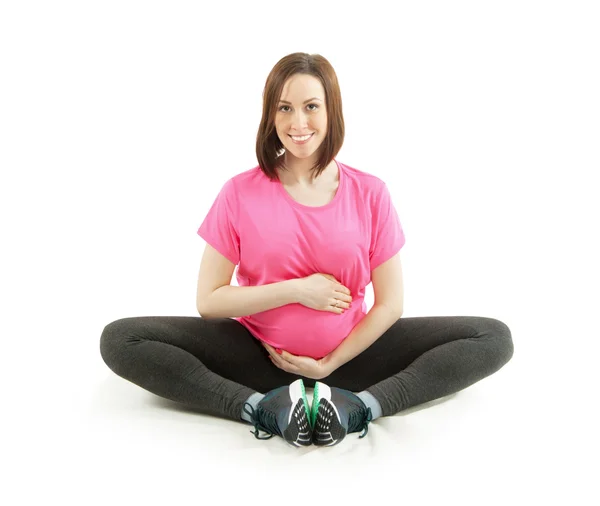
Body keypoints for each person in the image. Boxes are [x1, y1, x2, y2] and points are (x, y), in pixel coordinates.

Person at [100, 52, 514, 448]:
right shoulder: (240, 193)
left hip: (352, 360)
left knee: (491, 336)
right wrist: (298, 290)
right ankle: (263, 408)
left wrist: (331, 363)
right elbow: (209, 302)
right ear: (270, 115)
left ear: (331, 110)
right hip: (259, 359)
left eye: (311, 106)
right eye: (284, 108)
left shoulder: (370, 193)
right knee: (122, 339)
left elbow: (390, 305)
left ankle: (357, 407)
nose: (298, 122)